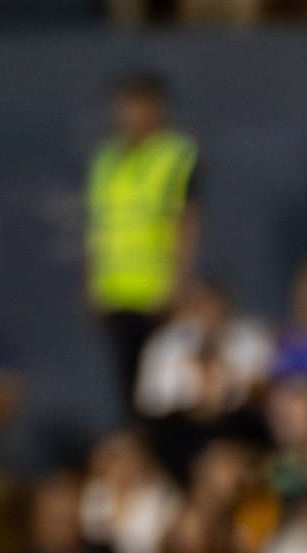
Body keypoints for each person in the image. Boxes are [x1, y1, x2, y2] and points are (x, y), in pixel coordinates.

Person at [85, 70, 198, 421]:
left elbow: (186, 223)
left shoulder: (176, 155)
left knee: (162, 393)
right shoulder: (106, 159)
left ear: (158, 108)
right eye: (127, 106)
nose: (133, 114)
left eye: (141, 105)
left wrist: (177, 286)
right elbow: (100, 226)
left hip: (157, 294)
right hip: (115, 293)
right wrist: (93, 284)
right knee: (126, 395)